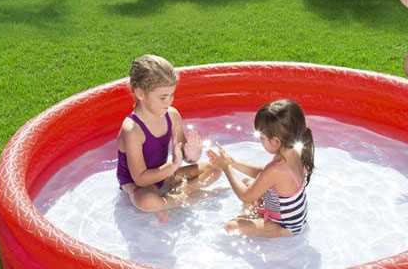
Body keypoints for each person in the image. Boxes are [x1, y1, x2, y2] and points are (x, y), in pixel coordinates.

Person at [116, 54, 219, 218]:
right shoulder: (132, 129)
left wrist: (192, 154)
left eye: (171, 95)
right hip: (140, 185)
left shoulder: (172, 115)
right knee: (147, 201)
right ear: (140, 93)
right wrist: (172, 166)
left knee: (214, 169)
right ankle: (178, 198)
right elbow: (140, 178)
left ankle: (172, 200)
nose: (169, 101)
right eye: (163, 97)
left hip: (165, 175)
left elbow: (184, 156)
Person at [207, 99, 313, 238]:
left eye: (262, 138)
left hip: (284, 226)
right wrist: (233, 163)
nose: (260, 141)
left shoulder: (277, 169)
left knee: (231, 227)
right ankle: (254, 216)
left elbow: (246, 196)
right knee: (247, 182)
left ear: (275, 141)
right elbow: (263, 174)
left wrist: (226, 168)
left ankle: (251, 218)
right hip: (287, 214)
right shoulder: (293, 152)